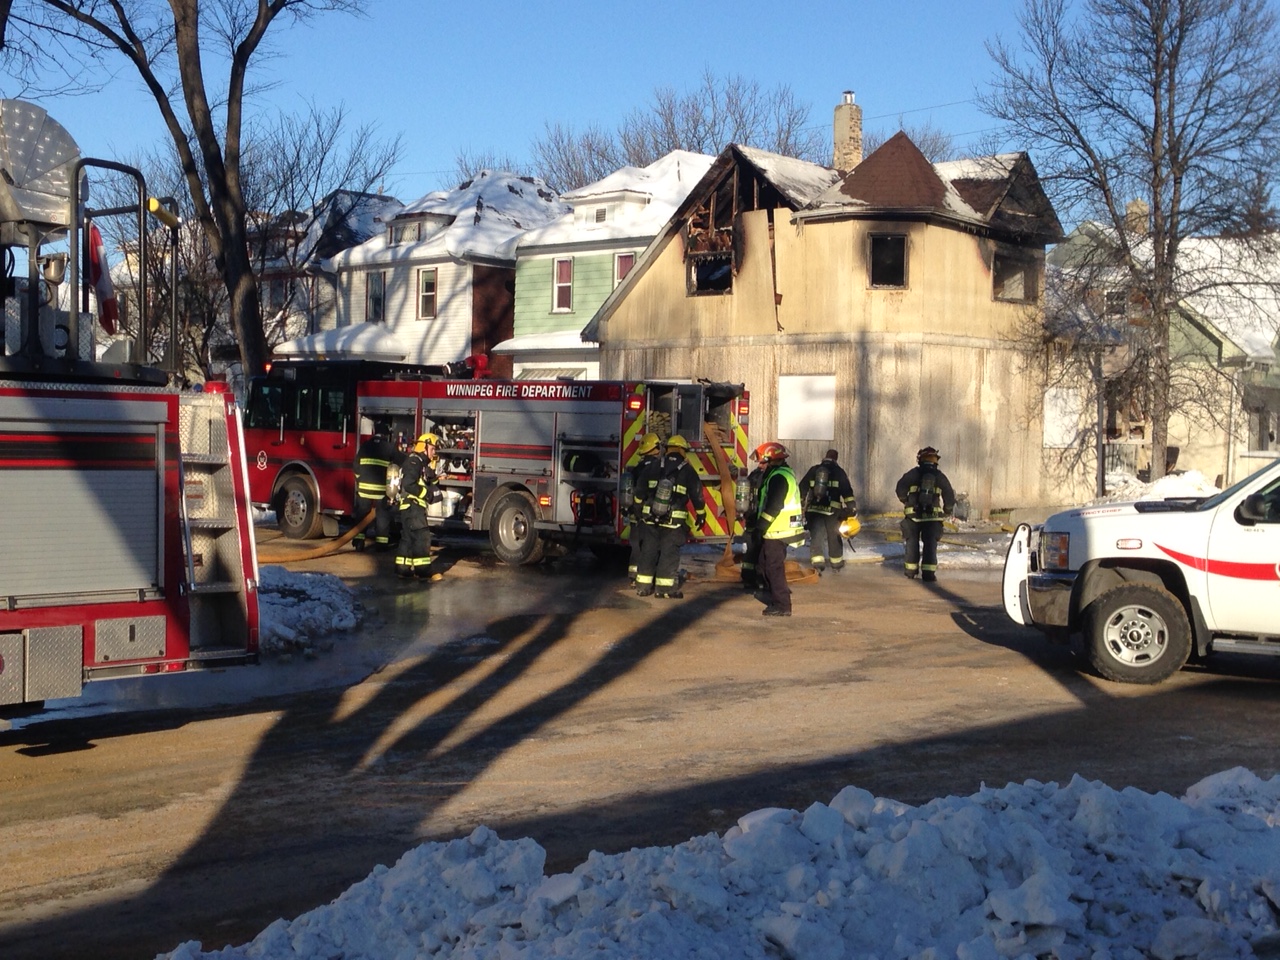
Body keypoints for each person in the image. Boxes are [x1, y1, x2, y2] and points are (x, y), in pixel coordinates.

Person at [633, 434, 704, 599]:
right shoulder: (687, 469)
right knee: (668, 553)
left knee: (648, 551)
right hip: (673, 521)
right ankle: (664, 589)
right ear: (681, 450)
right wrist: (701, 514)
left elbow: (640, 490)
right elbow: (697, 495)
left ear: (668, 449)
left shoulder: (654, 465)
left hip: (650, 518)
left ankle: (643, 587)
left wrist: (638, 510)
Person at [752, 441, 805, 616]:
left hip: (778, 531)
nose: (760, 466)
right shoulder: (780, 474)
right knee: (763, 564)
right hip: (776, 530)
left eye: (762, 462)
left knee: (773, 567)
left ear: (772, 460)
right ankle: (775, 594)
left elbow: (774, 506)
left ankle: (782, 605)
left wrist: (760, 527)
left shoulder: (778, 477)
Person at [895, 446, 956, 583]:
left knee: (912, 543)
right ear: (936, 460)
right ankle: (928, 574)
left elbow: (900, 488)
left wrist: (906, 500)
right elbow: (949, 495)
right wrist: (947, 510)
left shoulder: (913, 474)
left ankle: (910, 571)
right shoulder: (939, 476)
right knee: (930, 545)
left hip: (913, 516)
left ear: (920, 459)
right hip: (932, 518)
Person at [799, 448, 858, 575]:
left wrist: (800, 505)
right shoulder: (839, 472)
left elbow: (802, 488)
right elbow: (847, 492)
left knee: (816, 537)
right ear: (836, 459)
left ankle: (818, 565)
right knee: (834, 537)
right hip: (833, 512)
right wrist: (852, 508)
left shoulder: (814, 470)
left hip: (814, 511)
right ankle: (836, 565)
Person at [395, 432, 444, 581]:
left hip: (408, 507)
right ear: (424, 447)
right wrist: (427, 494)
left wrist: (434, 476)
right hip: (413, 506)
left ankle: (403, 569)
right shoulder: (414, 462)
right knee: (421, 536)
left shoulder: (418, 462)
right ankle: (423, 570)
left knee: (408, 538)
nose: (434, 452)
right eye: (432, 449)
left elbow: (426, 480)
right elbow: (409, 484)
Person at [352, 419, 404, 551]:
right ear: (386, 434)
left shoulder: (365, 446)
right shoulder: (389, 447)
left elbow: (356, 466)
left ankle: (359, 542)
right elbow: (401, 461)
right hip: (381, 491)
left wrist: (360, 481)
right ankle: (381, 544)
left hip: (363, 489)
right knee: (382, 516)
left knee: (362, 515)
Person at [625, 433, 662, 584]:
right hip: (651, 515)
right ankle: (648, 577)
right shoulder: (659, 468)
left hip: (636, 514)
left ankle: (633, 576)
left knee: (636, 546)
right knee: (651, 547)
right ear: (656, 448)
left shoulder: (637, 468)